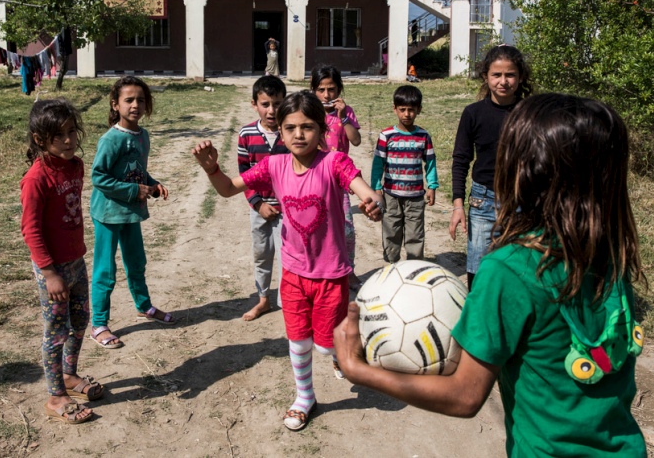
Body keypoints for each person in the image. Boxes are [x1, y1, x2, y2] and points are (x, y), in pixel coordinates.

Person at [336, 93, 647, 457]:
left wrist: (358, 369)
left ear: (525, 169)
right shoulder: (610, 250)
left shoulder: (509, 269)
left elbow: (465, 396)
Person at [193, 91, 384, 432]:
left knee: (325, 347)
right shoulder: (273, 164)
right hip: (293, 273)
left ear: (322, 129)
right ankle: (304, 397)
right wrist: (212, 169)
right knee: (298, 341)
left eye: (307, 127)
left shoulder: (334, 162)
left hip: (331, 275)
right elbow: (227, 189)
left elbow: (362, 188)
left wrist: (371, 200)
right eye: (290, 127)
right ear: (280, 132)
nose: (299, 134)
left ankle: (347, 339)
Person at [20, 98, 102, 424]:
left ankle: (70, 376)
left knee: (80, 322)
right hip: (52, 270)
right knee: (56, 332)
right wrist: (49, 272)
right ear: (41, 140)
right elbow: (31, 230)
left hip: (75, 263)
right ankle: (56, 395)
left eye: (72, 131)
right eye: (60, 135)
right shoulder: (36, 179)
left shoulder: (75, 165)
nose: (69, 140)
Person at [89, 76, 175, 350]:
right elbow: (98, 177)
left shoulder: (143, 136)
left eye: (140, 100)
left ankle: (144, 306)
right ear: (115, 105)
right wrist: (132, 191)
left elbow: (135, 171)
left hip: (130, 213)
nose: (135, 105)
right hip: (107, 213)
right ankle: (99, 323)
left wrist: (152, 183)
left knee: (136, 262)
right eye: (128, 100)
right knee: (106, 270)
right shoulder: (111, 140)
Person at [449, 45, 532, 289]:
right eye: (497, 75)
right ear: (485, 76)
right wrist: (457, 205)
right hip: (483, 202)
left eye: (510, 75)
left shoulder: (530, 112)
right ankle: (479, 320)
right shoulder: (473, 113)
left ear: (520, 77)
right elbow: (461, 159)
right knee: (479, 268)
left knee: (520, 270)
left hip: (523, 201)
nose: (503, 81)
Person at [237, 75, 289, 321]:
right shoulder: (247, 134)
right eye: (265, 104)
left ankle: (288, 302)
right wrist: (257, 204)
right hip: (259, 209)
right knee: (262, 254)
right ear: (254, 104)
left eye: (277, 104)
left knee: (288, 256)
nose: (271, 110)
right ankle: (264, 300)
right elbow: (244, 174)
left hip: (288, 210)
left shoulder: (290, 132)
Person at [370, 85, 438, 262]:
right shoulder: (387, 135)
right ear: (395, 109)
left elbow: (430, 162)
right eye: (402, 110)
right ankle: (392, 266)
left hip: (416, 196)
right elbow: (378, 163)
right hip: (391, 195)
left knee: (415, 233)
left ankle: (414, 266)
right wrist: (377, 188)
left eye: (411, 110)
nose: (407, 114)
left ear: (419, 110)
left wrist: (432, 186)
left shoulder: (423, 136)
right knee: (391, 231)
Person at [311, 65, 363, 290]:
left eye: (331, 89)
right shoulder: (309, 112)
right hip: (313, 180)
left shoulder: (347, 112)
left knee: (346, 229)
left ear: (339, 89)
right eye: (321, 89)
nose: (326, 95)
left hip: (340, 181)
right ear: (313, 91)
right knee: (316, 228)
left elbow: (357, 140)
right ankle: (320, 272)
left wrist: (344, 119)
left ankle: (348, 270)